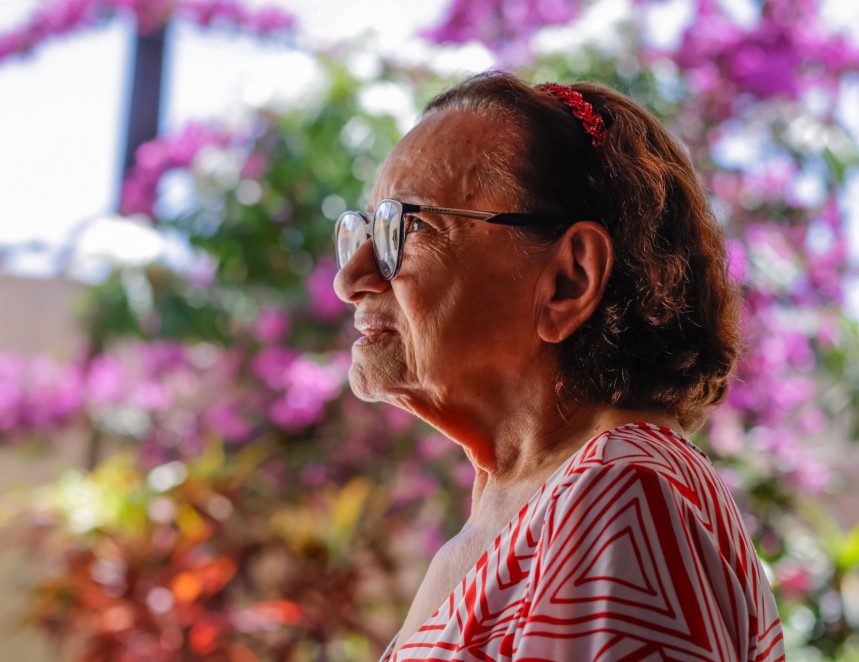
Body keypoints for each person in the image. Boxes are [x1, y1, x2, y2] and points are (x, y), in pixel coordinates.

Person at [332, 72, 785, 661]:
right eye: (365, 231)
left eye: (403, 227)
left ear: (569, 281)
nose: (351, 280)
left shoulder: (624, 495)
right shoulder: (538, 514)